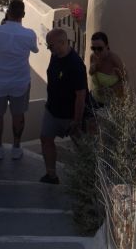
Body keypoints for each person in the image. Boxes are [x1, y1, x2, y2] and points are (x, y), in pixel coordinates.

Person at [0, 0, 38, 159]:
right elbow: (35, 49)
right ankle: (16, 147)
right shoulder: (29, 34)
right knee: (18, 115)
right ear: (23, 15)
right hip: (20, 82)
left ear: (7, 13)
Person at [40, 28, 88, 184]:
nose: (49, 49)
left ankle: (87, 180)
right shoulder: (55, 56)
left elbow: (81, 95)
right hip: (52, 110)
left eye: (50, 45)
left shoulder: (76, 64)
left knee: (82, 147)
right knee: (46, 139)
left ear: (62, 42)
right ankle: (51, 175)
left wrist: (77, 120)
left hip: (70, 115)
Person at [88, 32, 126, 109]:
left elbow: (125, 81)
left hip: (112, 105)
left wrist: (109, 90)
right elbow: (91, 73)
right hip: (95, 100)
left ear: (107, 46)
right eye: (93, 48)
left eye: (100, 48)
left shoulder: (114, 60)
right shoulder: (93, 57)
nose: (96, 51)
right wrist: (92, 69)